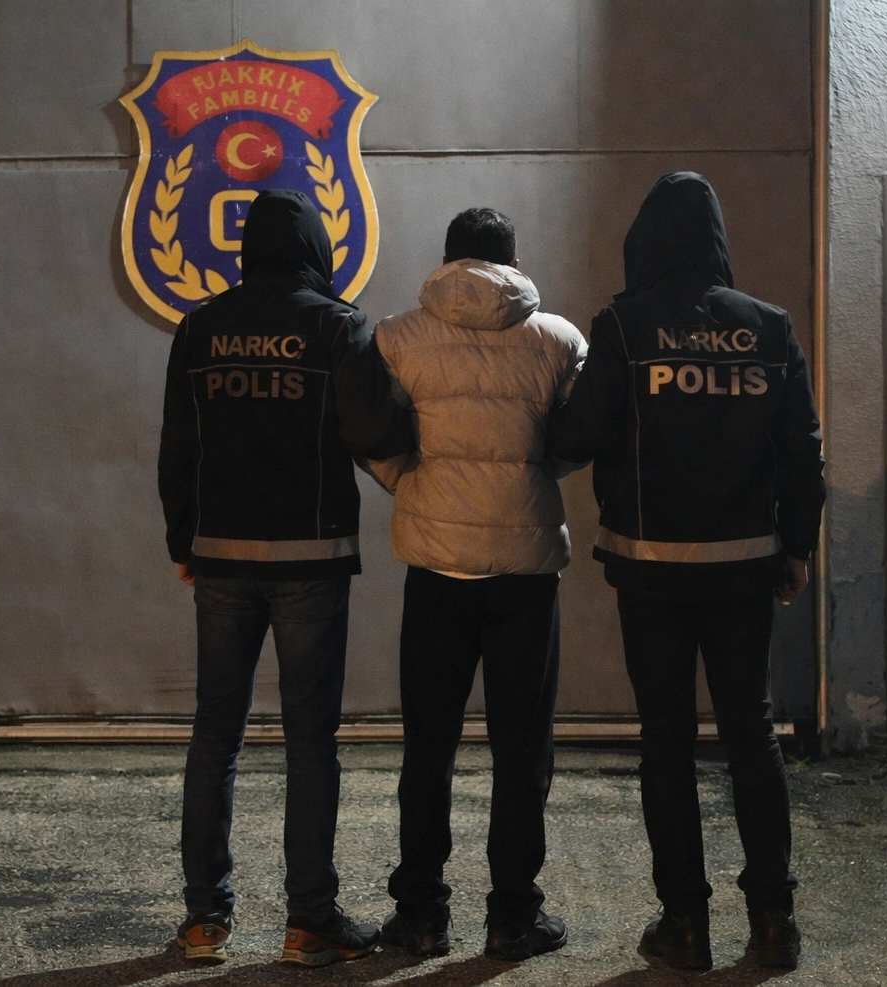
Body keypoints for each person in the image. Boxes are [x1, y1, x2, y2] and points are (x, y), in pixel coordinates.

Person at [549, 173, 825, 970]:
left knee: (666, 741)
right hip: (744, 567)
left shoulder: (624, 326)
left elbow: (581, 431)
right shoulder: (769, 327)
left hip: (651, 569)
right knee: (751, 734)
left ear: (645, 240)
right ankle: (774, 920)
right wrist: (796, 546)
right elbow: (801, 450)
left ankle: (686, 924)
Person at [157, 189, 408, 968]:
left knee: (215, 736)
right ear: (314, 249)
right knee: (310, 741)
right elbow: (374, 431)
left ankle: (204, 920)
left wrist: (183, 541)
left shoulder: (200, 328)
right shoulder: (337, 324)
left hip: (221, 554)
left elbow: (177, 448)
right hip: (311, 556)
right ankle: (309, 922)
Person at [365, 207, 587, 961]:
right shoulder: (558, 339)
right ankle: (513, 917)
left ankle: (420, 914)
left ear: (448, 259)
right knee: (522, 750)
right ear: (513, 263)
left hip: (436, 567)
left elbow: (370, 431)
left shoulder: (396, 337)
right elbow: (578, 436)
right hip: (525, 573)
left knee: (429, 746)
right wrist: (531, 478)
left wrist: (410, 483)